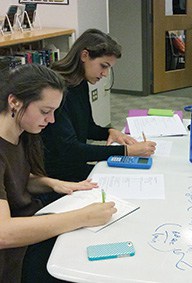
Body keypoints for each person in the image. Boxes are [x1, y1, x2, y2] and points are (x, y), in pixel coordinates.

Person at [0, 64, 117, 282]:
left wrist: (53, 183)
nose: (52, 120)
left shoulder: (22, 131)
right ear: (14, 101)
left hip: (32, 223)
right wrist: (82, 217)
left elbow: (15, 180)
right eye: (45, 111)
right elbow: (3, 233)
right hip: (15, 254)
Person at [42, 29, 156, 182]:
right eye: (103, 66)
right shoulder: (56, 89)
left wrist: (110, 132)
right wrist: (126, 151)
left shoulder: (80, 83)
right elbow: (70, 149)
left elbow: (87, 127)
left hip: (74, 165)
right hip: (59, 175)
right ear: (84, 55)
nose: (105, 74)